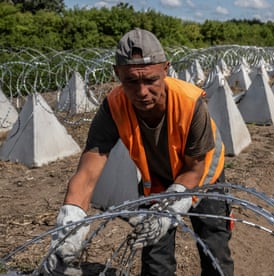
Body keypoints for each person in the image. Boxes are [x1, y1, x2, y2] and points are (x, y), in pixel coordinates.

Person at [42, 28, 234, 276]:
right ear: (116, 73)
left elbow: (194, 169)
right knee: (155, 260)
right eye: (131, 81)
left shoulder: (190, 103)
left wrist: (170, 207)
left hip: (202, 176)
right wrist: (69, 227)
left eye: (151, 80)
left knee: (214, 248)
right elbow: (87, 174)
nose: (142, 92)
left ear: (166, 69)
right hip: (156, 179)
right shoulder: (114, 106)